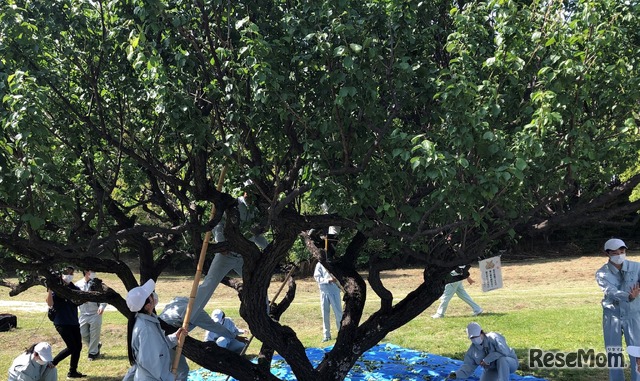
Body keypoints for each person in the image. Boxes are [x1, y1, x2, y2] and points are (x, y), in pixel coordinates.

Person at [190, 180, 268, 317]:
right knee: (209, 283)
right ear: (244, 191)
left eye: (255, 192)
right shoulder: (233, 206)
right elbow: (218, 225)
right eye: (250, 191)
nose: (252, 195)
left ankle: (265, 315)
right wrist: (220, 245)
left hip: (244, 257)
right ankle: (190, 315)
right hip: (226, 254)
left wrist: (268, 248)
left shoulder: (255, 212)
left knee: (258, 283)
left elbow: (256, 236)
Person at [159, 296, 241, 379]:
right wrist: (234, 336)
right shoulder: (196, 312)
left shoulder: (180, 300)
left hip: (161, 333)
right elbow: (214, 326)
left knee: (172, 368)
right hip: (167, 337)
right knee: (181, 370)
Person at [596, 238, 640, 381]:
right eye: (615, 252)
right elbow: (611, 291)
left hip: (633, 315)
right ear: (607, 254)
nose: (619, 254)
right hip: (612, 316)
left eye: (622, 251)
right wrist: (629, 296)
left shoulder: (636, 267)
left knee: (637, 351)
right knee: (613, 352)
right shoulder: (601, 273)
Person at [125, 279, 188, 381]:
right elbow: (151, 362)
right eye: (150, 294)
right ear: (147, 305)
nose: (153, 295)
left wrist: (174, 337)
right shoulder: (146, 329)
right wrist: (169, 377)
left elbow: (157, 347)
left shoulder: (146, 321)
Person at [46, 266, 85, 378]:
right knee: (72, 347)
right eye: (67, 272)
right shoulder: (57, 288)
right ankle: (53, 363)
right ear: (61, 274)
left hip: (73, 321)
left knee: (78, 346)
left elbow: (80, 301)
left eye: (71, 273)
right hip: (61, 322)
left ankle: (73, 371)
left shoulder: (75, 288)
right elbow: (49, 303)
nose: (69, 275)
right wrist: (50, 290)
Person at [447, 322, 518, 380]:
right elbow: (468, 367)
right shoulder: (472, 351)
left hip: (510, 363)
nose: (474, 339)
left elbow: (504, 352)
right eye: (472, 338)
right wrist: (456, 374)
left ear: (482, 333)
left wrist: (487, 359)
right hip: (492, 369)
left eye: (476, 336)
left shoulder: (494, 337)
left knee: (502, 359)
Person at [75, 269, 107, 361]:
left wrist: (102, 306)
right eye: (91, 271)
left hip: (95, 313)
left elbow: (104, 296)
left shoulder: (98, 284)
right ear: (86, 272)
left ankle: (92, 354)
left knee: (94, 335)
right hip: (83, 313)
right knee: (83, 334)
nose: (93, 273)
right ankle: (96, 346)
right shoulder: (78, 284)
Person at [313, 260, 343, 342]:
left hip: (334, 291)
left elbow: (340, 275)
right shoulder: (319, 264)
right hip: (324, 292)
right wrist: (327, 280)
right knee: (325, 314)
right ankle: (326, 335)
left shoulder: (335, 263)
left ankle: (341, 333)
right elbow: (317, 277)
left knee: (338, 313)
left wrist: (336, 280)